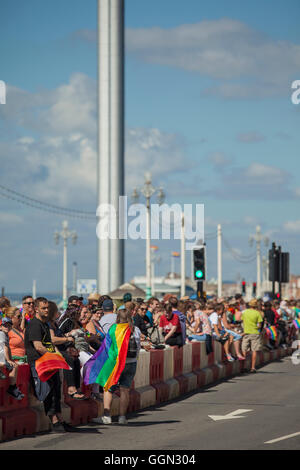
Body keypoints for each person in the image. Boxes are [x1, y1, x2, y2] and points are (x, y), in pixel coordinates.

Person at [25, 297, 75, 433]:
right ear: (36, 309)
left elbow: (50, 345)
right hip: (39, 363)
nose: (47, 310)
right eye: (43, 308)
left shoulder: (45, 324)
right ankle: (54, 422)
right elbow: (38, 346)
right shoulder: (35, 324)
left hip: (50, 362)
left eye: (47, 308)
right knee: (49, 392)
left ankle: (61, 420)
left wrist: (59, 357)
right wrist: (53, 356)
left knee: (57, 392)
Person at [101, 308, 141, 425]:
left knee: (108, 389)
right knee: (125, 390)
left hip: (116, 364)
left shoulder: (113, 328)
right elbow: (138, 347)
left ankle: (107, 416)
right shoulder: (135, 329)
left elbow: (108, 347)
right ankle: (122, 417)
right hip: (131, 362)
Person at [48, 301, 86, 400]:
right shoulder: (50, 324)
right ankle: (71, 388)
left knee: (76, 360)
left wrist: (68, 336)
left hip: (62, 346)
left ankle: (77, 387)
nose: (59, 314)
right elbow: (53, 339)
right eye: (57, 311)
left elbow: (61, 335)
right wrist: (67, 338)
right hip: (54, 348)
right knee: (68, 359)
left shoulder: (54, 324)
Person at [0, 317, 24, 399]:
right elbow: (5, 348)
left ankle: (13, 387)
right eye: (5, 325)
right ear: (0, 327)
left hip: (2, 357)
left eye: (9, 326)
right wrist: (9, 360)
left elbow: (8, 349)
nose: (7, 327)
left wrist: (10, 358)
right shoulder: (2, 334)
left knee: (13, 364)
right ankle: (12, 388)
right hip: (1, 359)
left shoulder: (4, 334)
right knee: (14, 366)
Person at [241, 299, 263, 373]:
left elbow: (242, 321)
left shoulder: (245, 312)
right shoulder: (257, 313)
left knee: (244, 350)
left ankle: (244, 366)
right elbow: (260, 325)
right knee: (254, 350)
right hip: (255, 333)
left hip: (246, 333)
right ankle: (253, 367)